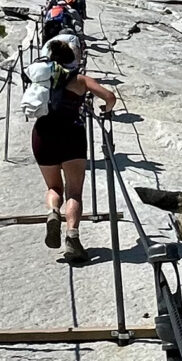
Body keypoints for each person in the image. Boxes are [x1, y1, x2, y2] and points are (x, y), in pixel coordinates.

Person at [30, 31, 117, 265]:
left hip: (43, 134)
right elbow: (109, 96)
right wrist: (106, 111)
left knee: (53, 187)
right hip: (71, 135)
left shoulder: (41, 79)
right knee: (75, 191)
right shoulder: (80, 79)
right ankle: (72, 236)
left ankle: (52, 213)